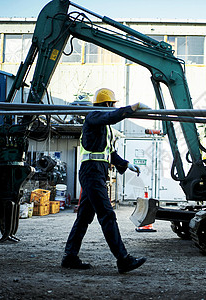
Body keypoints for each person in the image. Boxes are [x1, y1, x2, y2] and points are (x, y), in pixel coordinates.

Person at [62, 88, 149, 273]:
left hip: (95, 173)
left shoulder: (104, 128)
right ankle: (123, 259)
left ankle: (70, 256)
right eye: (113, 105)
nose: (114, 107)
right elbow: (111, 117)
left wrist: (127, 165)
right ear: (108, 105)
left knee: (84, 218)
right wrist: (132, 108)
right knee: (107, 215)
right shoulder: (94, 116)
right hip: (91, 173)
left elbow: (110, 153)